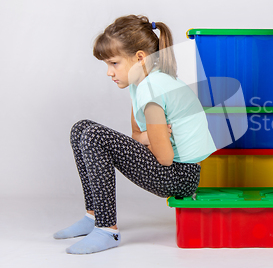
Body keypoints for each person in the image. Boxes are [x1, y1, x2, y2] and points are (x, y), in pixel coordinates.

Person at [54, 15, 216, 254]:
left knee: (94, 136)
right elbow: (136, 135)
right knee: (81, 128)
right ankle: (94, 214)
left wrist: (151, 138)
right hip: (170, 168)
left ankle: (107, 229)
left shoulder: (154, 87)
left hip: (180, 176)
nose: (109, 72)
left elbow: (165, 158)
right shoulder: (140, 83)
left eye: (114, 63)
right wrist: (150, 137)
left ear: (140, 58)